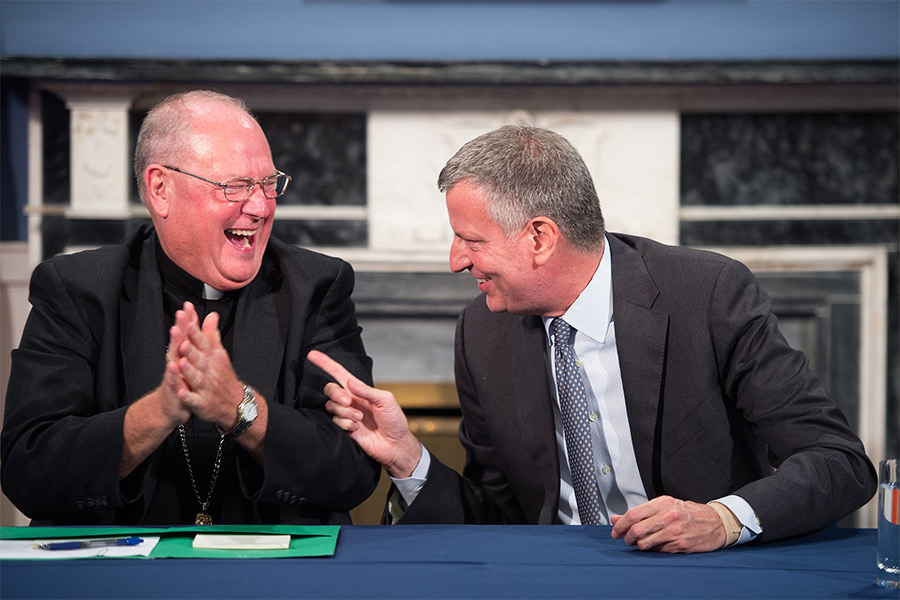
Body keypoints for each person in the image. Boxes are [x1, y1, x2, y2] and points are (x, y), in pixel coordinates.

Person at [309, 124, 877, 553]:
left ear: (539, 237)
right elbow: (498, 519)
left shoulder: (706, 295)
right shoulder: (483, 331)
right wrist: (408, 458)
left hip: (700, 573)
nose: (456, 261)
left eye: (470, 240)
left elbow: (839, 462)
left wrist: (723, 519)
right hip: (551, 576)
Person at [1, 90, 379, 526]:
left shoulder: (315, 286)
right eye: (234, 186)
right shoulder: (77, 289)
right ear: (160, 189)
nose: (259, 207)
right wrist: (158, 411)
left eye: (269, 184)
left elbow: (353, 468)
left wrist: (239, 409)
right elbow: (28, 471)